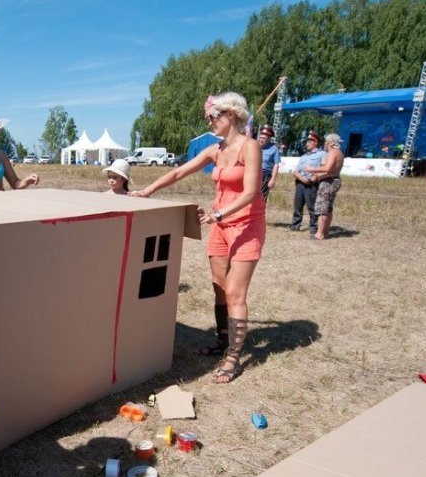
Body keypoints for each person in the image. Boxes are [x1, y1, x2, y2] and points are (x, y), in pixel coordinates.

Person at [131, 92, 265, 383]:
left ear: (231, 115)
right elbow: (179, 171)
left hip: (246, 226)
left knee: (234, 292)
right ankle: (222, 341)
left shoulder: (250, 147)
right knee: (218, 287)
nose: (210, 121)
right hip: (220, 226)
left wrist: (219, 214)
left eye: (214, 116)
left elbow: (251, 192)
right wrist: (147, 191)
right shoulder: (215, 150)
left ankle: (233, 358)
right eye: (209, 117)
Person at [305, 133, 344, 240]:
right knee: (328, 208)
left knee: (322, 208)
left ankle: (319, 234)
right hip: (334, 180)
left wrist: (312, 169)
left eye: (326, 143)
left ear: (329, 143)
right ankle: (325, 232)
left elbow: (327, 168)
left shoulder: (332, 152)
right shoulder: (339, 153)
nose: (325, 145)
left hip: (329, 182)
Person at [290, 132, 325, 235]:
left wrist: (315, 176)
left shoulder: (322, 154)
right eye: (307, 142)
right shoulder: (303, 156)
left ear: (316, 142)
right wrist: (301, 178)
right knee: (297, 206)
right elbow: (296, 171)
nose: (307, 143)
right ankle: (295, 226)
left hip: (311, 184)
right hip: (300, 183)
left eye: (310, 141)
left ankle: (313, 228)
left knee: (312, 207)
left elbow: (323, 168)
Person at [257, 124, 280, 202]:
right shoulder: (253, 145)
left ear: (269, 138)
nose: (261, 139)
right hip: (251, 175)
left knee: (261, 198)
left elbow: (276, 165)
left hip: (264, 176)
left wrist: (273, 180)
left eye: (264, 138)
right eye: (260, 137)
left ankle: (259, 213)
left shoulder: (274, 149)